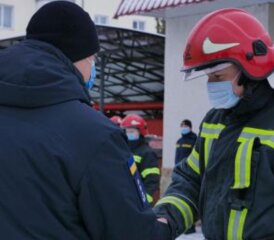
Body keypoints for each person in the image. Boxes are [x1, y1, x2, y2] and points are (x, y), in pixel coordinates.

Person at [0, 2, 170, 239]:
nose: (93, 67)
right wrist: (168, 223)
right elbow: (132, 232)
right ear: (76, 57)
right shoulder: (95, 135)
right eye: (92, 58)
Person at [154, 8, 274, 240]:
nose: (210, 85)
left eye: (217, 77)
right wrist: (165, 220)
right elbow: (191, 181)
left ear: (250, 70)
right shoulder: (215, 121)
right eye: (208, 77)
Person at [121, 114, 160, 205]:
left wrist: (144, 201)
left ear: (140, 132)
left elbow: (152, 180)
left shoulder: (147, 153)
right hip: (124, 199)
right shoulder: (123, 150)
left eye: (132, 131)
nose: (128, 134)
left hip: (139, 202)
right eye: (127, 131)